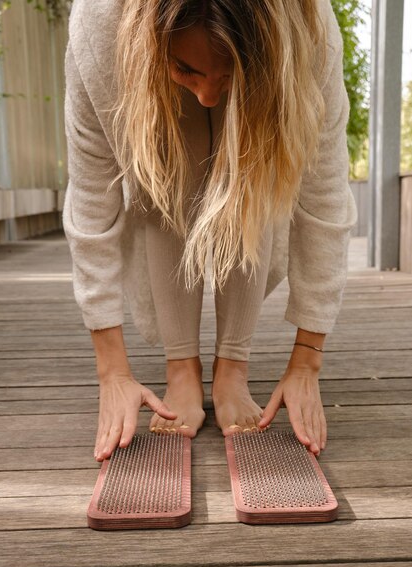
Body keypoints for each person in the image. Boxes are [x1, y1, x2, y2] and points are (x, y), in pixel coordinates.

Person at [63, 0, 357, 464]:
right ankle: (181, 368)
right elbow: (90, 197)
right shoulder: (100, 24)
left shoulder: (309, 29)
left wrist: (306, 363)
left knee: (253, 162)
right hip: (139, 60)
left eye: (225, 76)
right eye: (189, 71)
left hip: (265, 70)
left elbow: (324, 195)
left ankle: (231, 368)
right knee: (164, 160)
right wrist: (112, 373)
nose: (207, 96)